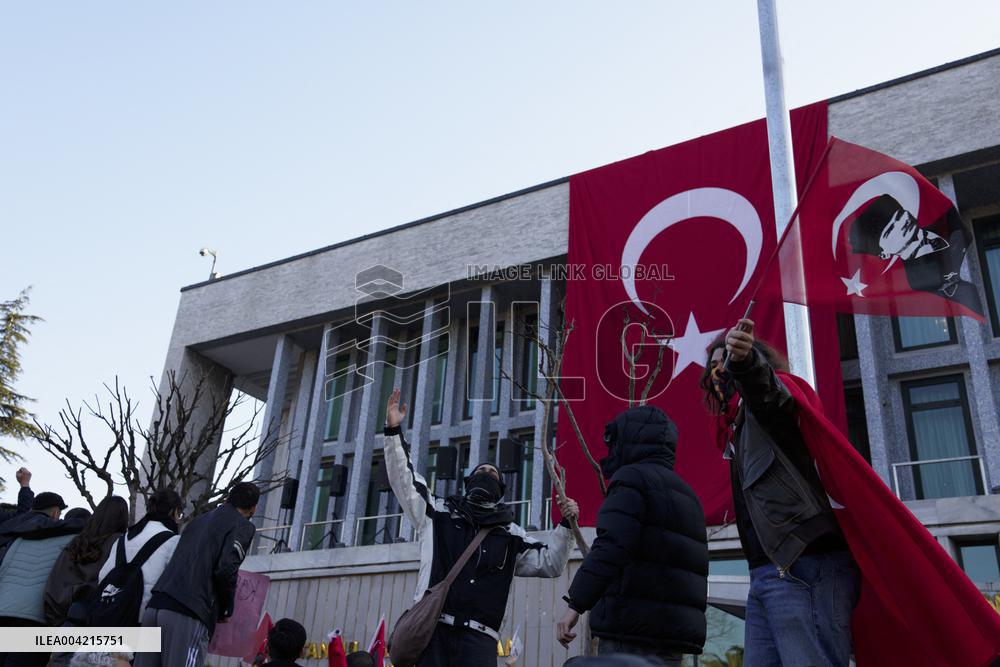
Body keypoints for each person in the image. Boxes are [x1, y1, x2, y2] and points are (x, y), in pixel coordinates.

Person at [701, 319, 859, 666]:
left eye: (725, 361)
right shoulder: (736, 428)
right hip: (766, 572)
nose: (719, 372)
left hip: (804, 563)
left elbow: (769, 394)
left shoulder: (773, 404)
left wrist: (746, 364)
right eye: (713, 366)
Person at [382, 388, 579, 667]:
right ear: (468, 483)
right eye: (480, 472)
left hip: (480, 641)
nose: (486, 475)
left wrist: (566, 525)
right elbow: (404, 478)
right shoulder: (437, 512)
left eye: (492, 474)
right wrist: (393, 431)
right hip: (433, 632)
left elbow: (550, 562)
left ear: (500, 490)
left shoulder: (510, 534)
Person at [556, 406, 708, 665]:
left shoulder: (631, 479)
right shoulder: (689, 495)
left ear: (628, 439)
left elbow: (612, 546)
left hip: (630, 630)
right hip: (673, 638)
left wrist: (576, 604)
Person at [135, 482, 258, 667]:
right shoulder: (242, 526)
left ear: (228, 499)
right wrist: (226, 608)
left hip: (156, 605)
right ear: (253, 509)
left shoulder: (198, 520)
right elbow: (226, 569)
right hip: (189, 611)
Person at [0, 492, 82, 667]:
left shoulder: (15, 535)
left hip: (3, 610)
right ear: (54, 514)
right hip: (36, 617)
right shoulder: (70, 537)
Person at [96, 488, 182, 621]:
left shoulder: (122, 539)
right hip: (141, 619)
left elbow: (103, 576)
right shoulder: (173, 541)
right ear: (174, 511)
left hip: (107, 614)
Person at [44, 496, 129, 629]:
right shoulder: (121, 543)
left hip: (63, 618)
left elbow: (54, 585)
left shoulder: (75, 543)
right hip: (97, 620)